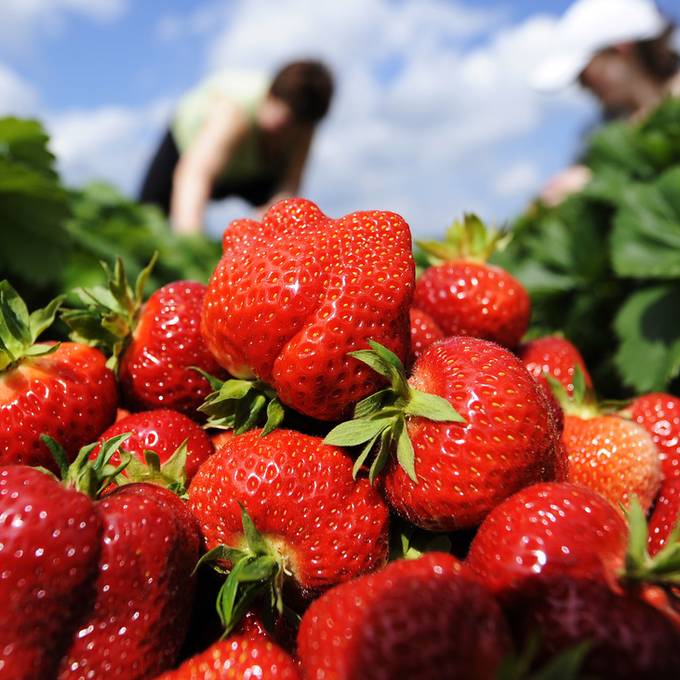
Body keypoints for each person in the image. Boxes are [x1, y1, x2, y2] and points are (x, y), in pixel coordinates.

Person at [139, 60, 334, 234]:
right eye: (279, 125)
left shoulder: (305, 127)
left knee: (281, 219)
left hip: (253, 169)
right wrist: (191, 241)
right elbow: (195, 175)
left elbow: (288, 189)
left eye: (289, 127)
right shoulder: (234, 109)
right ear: (269, 95)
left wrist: (266, 225)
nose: (280, 131)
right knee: (148, 215)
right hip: (188, 150)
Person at [531, 0, 680, 205]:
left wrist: (595, 183)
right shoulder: (607, 135)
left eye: (584, 73)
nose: (582, 86)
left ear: (621, 48)